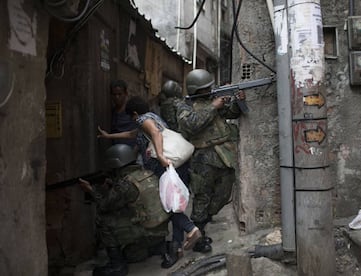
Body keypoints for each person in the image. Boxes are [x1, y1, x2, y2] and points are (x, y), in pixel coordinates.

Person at [97, 96, 201, 266]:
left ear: (135, 113)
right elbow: (132, 134)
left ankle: (190, 228)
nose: (133, 120)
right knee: (173, 203)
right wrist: (109, 136)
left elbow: (155, 133)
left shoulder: (143, 119)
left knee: (166, 204)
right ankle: (178, 244)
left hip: (163, 165)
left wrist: (160, 156)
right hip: (177, 163)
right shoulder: (153, 116)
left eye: (132, 116)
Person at [175, 69, 245, 253]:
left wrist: (237, 100)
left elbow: (232, 114)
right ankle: (199, 236)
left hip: (224, 155)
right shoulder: (185, 106)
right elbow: (191, 125)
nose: (209, 89)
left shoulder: (213, 100)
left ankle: (202, 224)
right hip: (202, 159)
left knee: (223, 195)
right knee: (202, 197)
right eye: (205, 88)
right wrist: (213, 106)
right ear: (195, 90)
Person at [78, 144, 171, 276]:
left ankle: (117, 267)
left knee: (103, 220)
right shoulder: (146, 172)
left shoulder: (125, 184)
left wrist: (91, 190)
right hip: (160, 226)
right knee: (131, 253)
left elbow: (105, 205)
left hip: (147, 229)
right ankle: (157, 246)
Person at [109, 80, 136, 148]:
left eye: (120, 94)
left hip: (130, 149)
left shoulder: (132, 110)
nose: (117, 97)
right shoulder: (113, 112)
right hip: (116, 149)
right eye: (114, 94)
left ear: (126, 93)